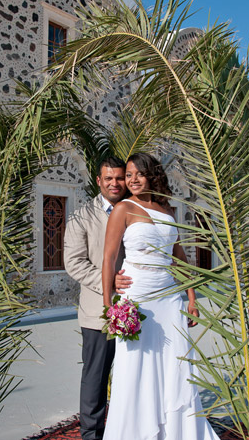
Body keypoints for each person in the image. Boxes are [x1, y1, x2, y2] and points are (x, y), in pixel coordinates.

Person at [102, 152, 219, 440]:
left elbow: (178, 258)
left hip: (169, 298)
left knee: (176, 364)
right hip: (136, 297)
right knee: (135, 369)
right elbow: (109, 258)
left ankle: (177, 433)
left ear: (152, 174)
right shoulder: (122, 209)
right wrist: (110, 308)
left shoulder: (167, 211)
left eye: (138, 173)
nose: (132, 179)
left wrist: (191, 298)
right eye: (128, 175)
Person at [64, 156, 134, 440]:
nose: (115, 183)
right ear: (99, 181)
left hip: (138, 311)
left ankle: (126, 428)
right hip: (98, 314)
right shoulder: (82, 217)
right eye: (109, 179)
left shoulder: (136, 209)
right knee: (95, 377)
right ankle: (91, 434)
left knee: (133, 375)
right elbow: (74, 262)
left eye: (120, 178)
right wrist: (110, 283)